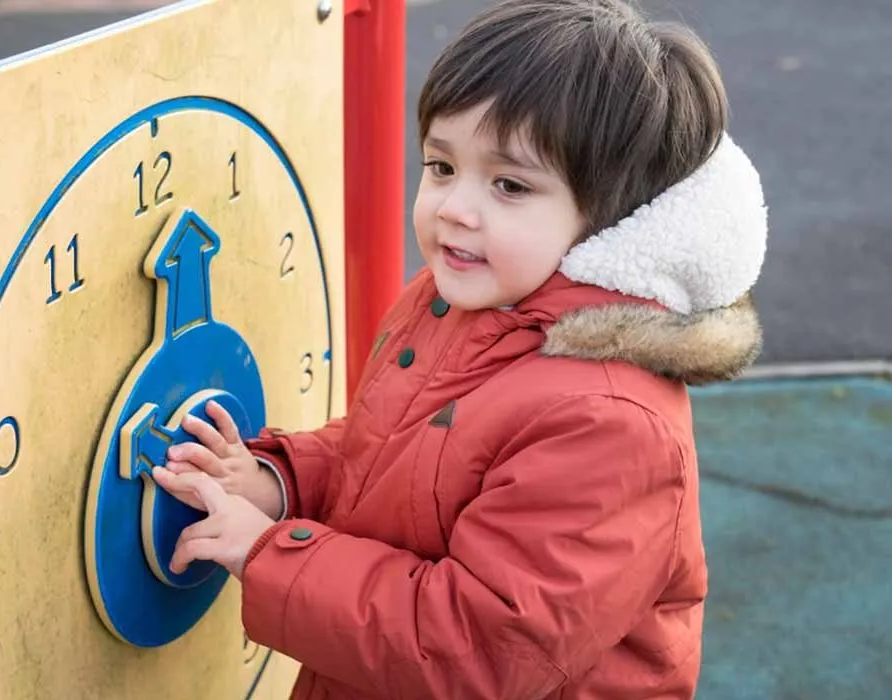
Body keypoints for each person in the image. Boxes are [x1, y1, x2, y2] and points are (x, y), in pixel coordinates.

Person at [151, 0, 768, 697]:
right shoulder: (460, 302)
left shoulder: (609, 422)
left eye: (509, 185)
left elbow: (477, 650)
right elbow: (391, 460)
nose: (452, 207)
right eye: (441, 166)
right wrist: (280, 483)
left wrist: (268, 553)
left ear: (610, 220)